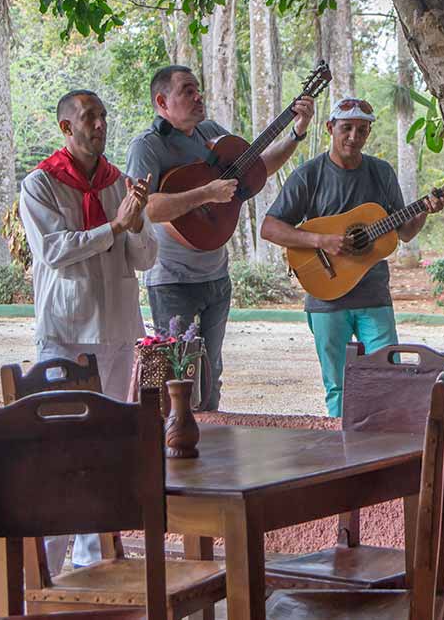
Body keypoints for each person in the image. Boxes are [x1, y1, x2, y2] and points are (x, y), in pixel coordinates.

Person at [19, 89, 157, 573]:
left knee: (106, 448)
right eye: (88, 118)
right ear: (66, 127)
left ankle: (94, 566)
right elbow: (54, 250)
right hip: (65, 332)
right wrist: (115, 228)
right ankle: (47, 571)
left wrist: (136, 224)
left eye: (102, 115)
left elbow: (145, 258)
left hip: (117, 330)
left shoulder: (120, 183)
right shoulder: (40, 184)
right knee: (60, 449)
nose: (99, 125)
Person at [126, 65, 315, 410]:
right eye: (187, 90)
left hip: (216, 276)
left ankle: (211, 451)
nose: (198, 96)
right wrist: (206, 194)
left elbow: (259, 167)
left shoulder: (211, 133)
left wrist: (296, 133)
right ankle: (175, 449)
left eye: (198, 88)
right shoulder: (148, 147)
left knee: (211, 373)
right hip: (171, 278)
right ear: (162, 101)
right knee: (178, 378)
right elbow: (147, 208)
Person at [260, 98, 444, 417]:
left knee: (389, 378)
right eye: (346, 128)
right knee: (338, 386)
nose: (353, 137)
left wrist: (425, 210)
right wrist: (321, 240)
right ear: (330, 128)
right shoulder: (309, 174)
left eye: (362, 130)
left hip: (374, 294)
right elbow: (270, 227)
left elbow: (404, 232)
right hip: (327, 296)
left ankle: (383, 451)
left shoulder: (381, 172)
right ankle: (342, 454)